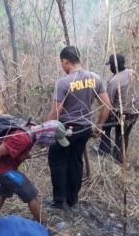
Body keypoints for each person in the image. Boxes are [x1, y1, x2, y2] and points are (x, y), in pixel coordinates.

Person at [45, 46, 111, 209]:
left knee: (58, 161)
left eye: (62, 64)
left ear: (65, 61)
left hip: (66, 130)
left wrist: (45, 132)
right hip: (84, 129)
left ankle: (59, 200)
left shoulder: (63, 83)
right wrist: (99, 126)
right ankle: (72, 200)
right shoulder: (95, 78)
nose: (62, 67)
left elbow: (55, 113)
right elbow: (107, 105)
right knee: (76, 161)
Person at [0, 119, 69, 227]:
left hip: (7, 167)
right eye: (54, 139)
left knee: (3, 193)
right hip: (1, 169)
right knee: (31, 193)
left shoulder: (31, 131)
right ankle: (44, 226)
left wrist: (22, 156)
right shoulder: (23, 138)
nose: (54, 143)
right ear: (48, 135)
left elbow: (10, 149)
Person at [92, 54, 139, 163]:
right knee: (123, 136)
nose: (110, 68)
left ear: (114, 66)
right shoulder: (132, 72)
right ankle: (118, 158)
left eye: (110, 65)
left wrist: (99, 122)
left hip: (122, 114)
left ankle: (104, 150)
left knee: (105, 125)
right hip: (135, 111)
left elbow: (108, 104)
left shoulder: (114, 81)